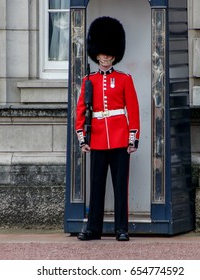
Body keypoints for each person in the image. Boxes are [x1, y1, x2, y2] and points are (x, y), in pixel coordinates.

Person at [75, 16, 140, 241]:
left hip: (120, 138)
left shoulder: (124, 79)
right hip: (99, 139)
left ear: (115, 55)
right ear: (97, 53)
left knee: (120, 186)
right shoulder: (89, 80)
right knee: (97, 186)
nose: (106, 57)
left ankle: (121, 228)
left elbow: (133, 109)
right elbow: (81, 111)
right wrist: (83, 139)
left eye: (110, 54)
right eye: (103, 53)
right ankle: (94, 228)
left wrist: (133, 139)